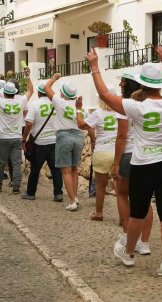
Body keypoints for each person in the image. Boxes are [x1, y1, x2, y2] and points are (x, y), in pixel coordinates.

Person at [87, 49, 162, 280]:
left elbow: (104, 94)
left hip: (143, 165)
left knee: (137, 212)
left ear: (141, 84)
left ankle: (129, 253)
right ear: (160, 85)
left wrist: (95, 67)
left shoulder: (135, 107)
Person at [112, 71, 154, 255]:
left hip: (128, 154)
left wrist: (115, 163)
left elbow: (121, 136)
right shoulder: (148, 103)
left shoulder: (125, 105)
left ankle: (128, 234)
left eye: (122, 81)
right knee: (146, 200)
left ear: (129, 84)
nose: (120, 84)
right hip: (146, 154)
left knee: (122, 194)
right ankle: (144, 242)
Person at [43, 75, 85, 211]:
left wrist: (54, 77)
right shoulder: (80, 107)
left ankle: (72, 201)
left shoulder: (59, 102)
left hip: (64, 136)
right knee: (74, 169)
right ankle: (75, 196)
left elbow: (46, 87)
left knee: (65, 171)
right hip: (79, 136)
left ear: (63, 92)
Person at [76, 85, 119, 221]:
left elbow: (82, 125)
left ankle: (99, 213)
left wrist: (78, 109)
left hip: (102, 151)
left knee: (101, 185)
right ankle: (123, 217)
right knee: (120, 187)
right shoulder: (121, 112)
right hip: (117, 151)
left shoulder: (98, 113)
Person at [21, 81, 63, 201]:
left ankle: (30, 193)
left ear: (39, 93)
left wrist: (24, 139)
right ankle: (58, 194)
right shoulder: (55, 104)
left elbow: (29, 124)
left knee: (35, 169)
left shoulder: (34, 105)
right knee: (56, 169)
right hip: (54, 141)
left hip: (39, 143)